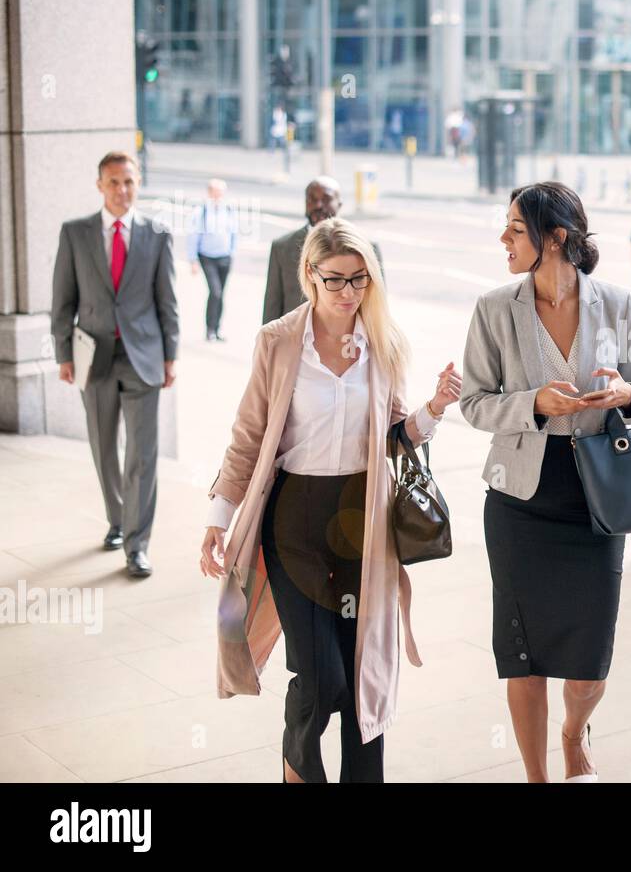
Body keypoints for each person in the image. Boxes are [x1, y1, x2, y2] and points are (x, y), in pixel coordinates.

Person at [199, 217, 461, 783]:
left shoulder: (383, 344)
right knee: (322, 679)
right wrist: (218, 518)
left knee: (364, 672)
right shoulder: (277, 342)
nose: (348, 293)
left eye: (360, 280)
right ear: (310, 276)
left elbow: (392, 437)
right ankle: (300, 770)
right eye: (336, 280)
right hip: (294, 521)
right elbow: (248, 437)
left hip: (361, 524)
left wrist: (433, 408)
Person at [460, 180, 631, 783]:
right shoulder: (495, 308)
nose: (504, 238)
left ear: (556, 238)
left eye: (516, 228)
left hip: (598, 500)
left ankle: (573, 734)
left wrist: (626, 394)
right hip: (521, 501)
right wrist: (534, 403)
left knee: (591, 663)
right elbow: (473, 402)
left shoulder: (618, 304)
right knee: (523, 655)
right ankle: (536, 776)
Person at [51, 151, 179, 579]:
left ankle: (137, 545)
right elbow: (62, 299)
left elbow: (168, 302)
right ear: (100, 185)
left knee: (143, 455)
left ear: (138, 182)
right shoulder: (75, 234)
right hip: (94, 357)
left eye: (129, 182)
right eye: (113, 183)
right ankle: (117, 521)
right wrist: (63, 353)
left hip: (143, 357)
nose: (122, 190)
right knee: (104, 448)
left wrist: (171, 356)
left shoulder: (157, 234)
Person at [263, 176, 384, 323]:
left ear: (339, 204)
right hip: (296, 341)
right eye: (311, 199)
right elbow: (272, 305)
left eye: (326, 199)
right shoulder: (281, 247)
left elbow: (378, 305)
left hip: (349, 340)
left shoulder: (367, 247)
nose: (318, 205)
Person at [188, 178, 238, 341]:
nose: (218, 196)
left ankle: (217, 330)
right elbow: (193, 236)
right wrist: (193, 260)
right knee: (215, 292)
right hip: (207, 257)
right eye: (215, 192)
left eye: (221, 193)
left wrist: (232, 253)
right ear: (209, 193)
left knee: (221, 294)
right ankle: (209, 329)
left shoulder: (229, 210)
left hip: (224, 257)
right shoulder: (201, 212)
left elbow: (234, 234)